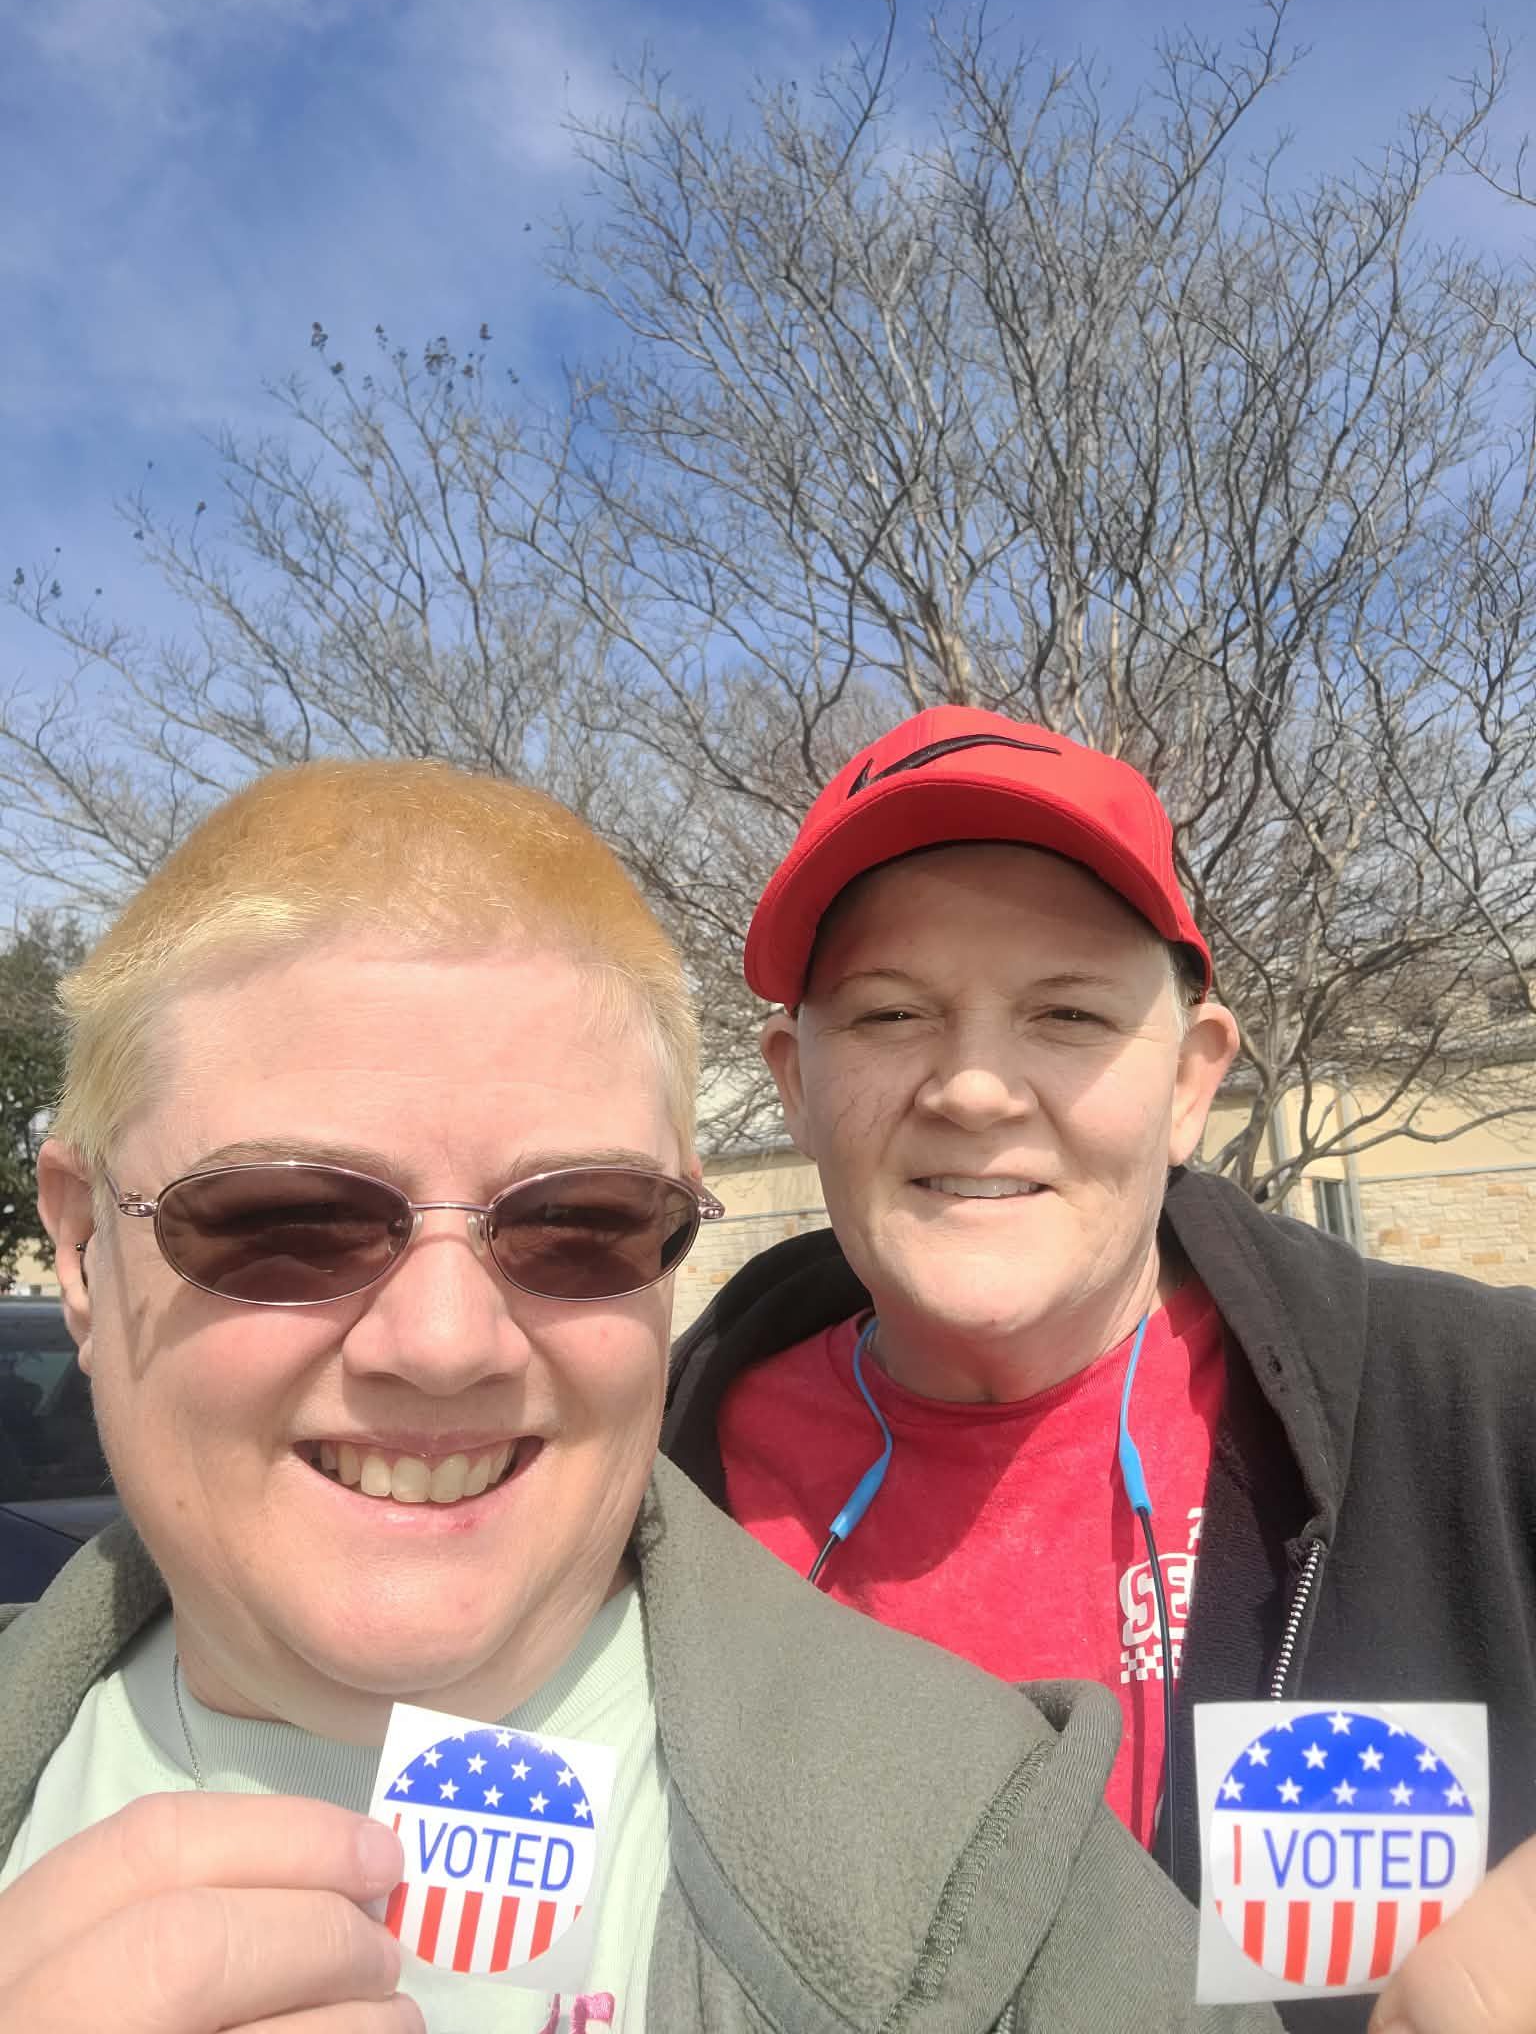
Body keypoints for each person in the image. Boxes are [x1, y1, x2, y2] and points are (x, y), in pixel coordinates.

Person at [0, 758, 1276, 2034]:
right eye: (288, 1218)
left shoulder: (994, 1879)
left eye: (576, 1222)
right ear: (78, 1248)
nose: (446, 1342)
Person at [662, 705, 1536, 2034]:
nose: (972, 1088)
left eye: (1066, 1013)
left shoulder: (1470, 1404)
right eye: (892, 1012)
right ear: (793, 1078)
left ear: (1191, 1079)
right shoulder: (640, 1490)